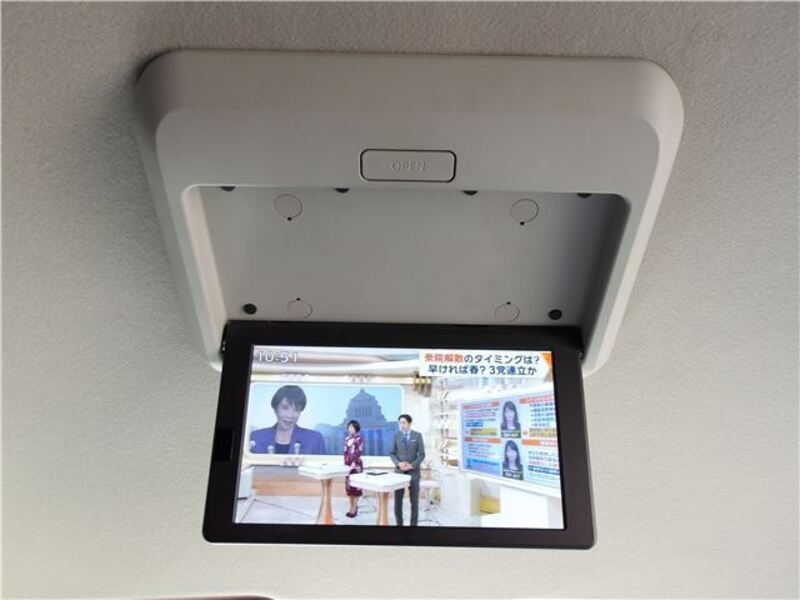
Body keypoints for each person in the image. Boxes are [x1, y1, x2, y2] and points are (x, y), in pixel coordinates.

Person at [250, 385, 325, 454]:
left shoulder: (314, 439)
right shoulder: (256, 437)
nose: (290, 415)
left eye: (296, 409)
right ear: (275, 409)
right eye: (285, 408)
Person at [388, 414, 425, 526]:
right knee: (398, 501)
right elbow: (392, 453)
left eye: (403, 422)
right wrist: (398, 464)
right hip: (399, 473)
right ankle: (399, 525)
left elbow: (422, 454)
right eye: (400, 423)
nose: (401, 425)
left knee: (414, 502)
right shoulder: (396, 436)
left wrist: (412, 465)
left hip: (413, 472)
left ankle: (413, 526)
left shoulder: (417, 436)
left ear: (409, 423)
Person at [343, 419, 364, 518]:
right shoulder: (347, 439)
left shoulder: (359, 439)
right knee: (349, 488)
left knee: (356, 488)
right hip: (347, 467)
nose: (350, 429)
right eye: (349, 427)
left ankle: (354, 508)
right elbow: (345, 453)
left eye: (352, 427)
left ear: (356, 428)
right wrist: (346, 464)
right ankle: (351, 506)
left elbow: (358, 453)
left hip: (356, 467)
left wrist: (353, 464)